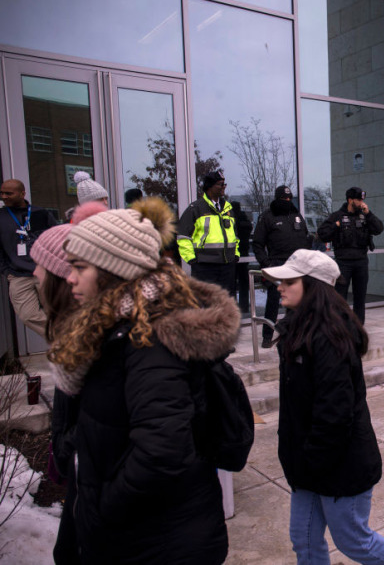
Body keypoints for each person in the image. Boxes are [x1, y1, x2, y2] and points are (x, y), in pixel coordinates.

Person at [47, 197, 239, 564]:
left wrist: (104, 508)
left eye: (78, 266)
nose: (68, 278)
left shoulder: (148, 340)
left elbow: (162, 450)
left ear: (111, 269)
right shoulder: (116, 328)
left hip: (159, 543)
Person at [262, 249, 384, 565]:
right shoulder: (295, 329)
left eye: (289, 281)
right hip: (307, 464)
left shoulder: (331, 336)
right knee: (302, 540)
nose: (279, 287)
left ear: (312, 286)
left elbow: (335, 413)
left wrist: (310, 459)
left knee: (354, 541)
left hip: (339, 465)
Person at [30, 201, 107, 565]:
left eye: (41, 265)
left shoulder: (98, 347)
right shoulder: (73, 340)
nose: (34, 273)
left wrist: (71, 447)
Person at [252, 185, 311, 347]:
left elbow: (305, 237)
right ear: (277, 199)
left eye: (289, 198)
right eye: (284, 199)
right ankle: (267, 336)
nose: (287, 201)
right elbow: (257, 244)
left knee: (296, 301)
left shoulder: (296, 215)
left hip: (296, 265)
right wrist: (266, 264)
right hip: (277, 265)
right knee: (273, 301)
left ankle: (293, 334)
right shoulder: (268, 217)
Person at [1, 178, 57, 337]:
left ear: (22, 193)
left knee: (55, 312)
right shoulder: (1, 217)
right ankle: (63, 339)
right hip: (18, 275)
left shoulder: (40, 213)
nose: (4, 196)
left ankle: (67, 349)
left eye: (9, 193)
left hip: (45, 272)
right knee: (28, 316)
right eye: (2, 193)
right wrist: (6, 271)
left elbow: (56, 240)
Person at [318, 186, 383, 323]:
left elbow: (379, 229)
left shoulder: (364, 215)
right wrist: (335, 225)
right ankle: (339, 327)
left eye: (362, 199)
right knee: (340, 298)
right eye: (358, 200)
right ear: (350, 200)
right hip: (343, 263)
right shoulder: (337, 216)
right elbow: (322, 234)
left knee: (360, 297)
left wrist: (369, 214)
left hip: (361, 262)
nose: (361, 202)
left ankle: (359, 327)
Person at [177, 170, 239, 296]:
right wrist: (191, 259)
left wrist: (235, 254)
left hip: (227, 266)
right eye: (220, 184)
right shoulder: (196, 208)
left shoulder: (228, 208)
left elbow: (234, 236)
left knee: (227, 303)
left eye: (224, 184)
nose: (224, 187)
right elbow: (183, 236)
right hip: (205, 267)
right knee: (206, 303)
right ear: (210, 186)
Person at [230, 200, 253, 313]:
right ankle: (244, 306)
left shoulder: (234, 220)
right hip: (244, 253)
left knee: (232, 283)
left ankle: (233, 307)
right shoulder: (245, 220)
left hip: (235, 254)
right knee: (244, 282)